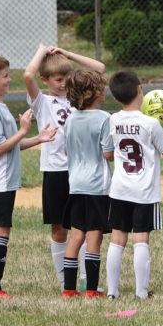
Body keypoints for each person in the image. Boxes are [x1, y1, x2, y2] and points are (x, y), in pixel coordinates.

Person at [0, 52, 57, 298]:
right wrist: (22, 130)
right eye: (5, 76)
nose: (9, 80)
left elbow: (9, 145)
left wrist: (37, 138)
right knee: (0, 230)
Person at [23, 44, 106, 289]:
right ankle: (63, 281)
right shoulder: (42, 102)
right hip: (55, 171)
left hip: (79, 172)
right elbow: (27, 76)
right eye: (58, 79)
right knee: (59, 229)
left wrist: (67, 55)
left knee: (82, 227)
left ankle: (82, 281)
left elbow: (100, 69)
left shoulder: (77, 99)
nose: (63, 84)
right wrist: (40, 51)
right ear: (45, 79)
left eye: (66, 79)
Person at [105, 70, 163, 299]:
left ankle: (112, 291)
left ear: (115, 98)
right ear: (140, 89)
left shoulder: (112, 120)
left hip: (119, 189)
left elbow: (108, 152)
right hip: (144, 192)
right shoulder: (150, 124)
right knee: (141, 240)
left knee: (117, 240)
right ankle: (141, 292)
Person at [60, 69, 114, 299]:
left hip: (75, 183)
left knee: (76, 235)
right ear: (92, 92)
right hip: (96, 185)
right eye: (101, 87)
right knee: (94, 235)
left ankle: (69, 289)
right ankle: (92, 289)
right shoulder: (104, 118)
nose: (105, 91)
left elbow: (67, 149)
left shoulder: (70, 119)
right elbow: (108, 154)